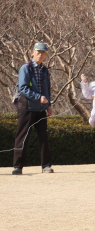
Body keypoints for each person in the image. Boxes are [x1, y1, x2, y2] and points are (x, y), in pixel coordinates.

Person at [12, 42, 54, 175]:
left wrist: (49, 105)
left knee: (44, 137)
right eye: (38, 52)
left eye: (43, 53)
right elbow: (23, 88)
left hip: (41, 109)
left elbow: (47, 89)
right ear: (32, 52)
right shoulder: (25, 68)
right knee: (23, 137)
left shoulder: (45, 70)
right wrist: (38, 97)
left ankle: (46, 166)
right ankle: (18, 166)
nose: (40, 55)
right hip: (27, 108)